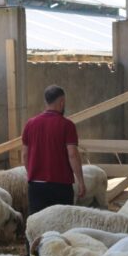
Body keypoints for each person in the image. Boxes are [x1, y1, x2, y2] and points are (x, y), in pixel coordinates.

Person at [21, 85, 85, 216]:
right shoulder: (67, 125)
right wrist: (80, 181)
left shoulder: (30, 124)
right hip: (61, 186)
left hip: (36, 186)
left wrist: (32, 174)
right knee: (61, 224)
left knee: (38, 225)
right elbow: (72, 155)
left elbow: (24, 155)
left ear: (46, 102)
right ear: (62, 102)